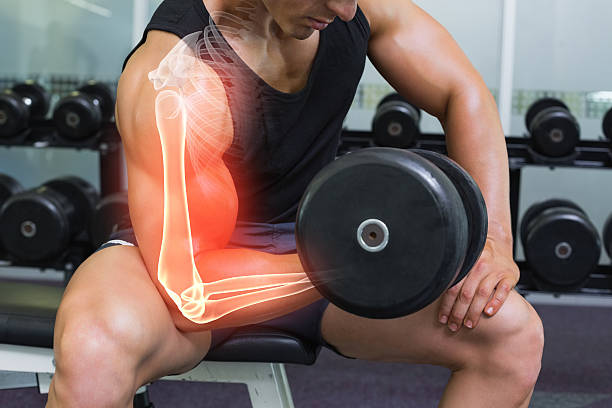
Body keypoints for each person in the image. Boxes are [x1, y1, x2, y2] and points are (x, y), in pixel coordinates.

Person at [46, 0, 544, 407]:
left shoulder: (349, 7)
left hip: (311, 242)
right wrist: (355, 265)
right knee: (94, 350)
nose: (346, 12)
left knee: (510, 336)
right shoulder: (178, 78)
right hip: (175, 257)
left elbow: (464, 93)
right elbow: (191, 293)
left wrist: (495, 238)